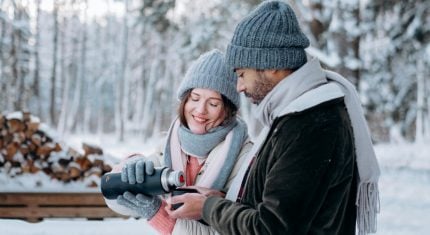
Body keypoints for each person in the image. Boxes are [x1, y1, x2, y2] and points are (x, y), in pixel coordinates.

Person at [166, 1, 380, 235]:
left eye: (241, 74)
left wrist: (209, 208)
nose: (238, 86)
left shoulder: (311, 126)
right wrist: (221, 201)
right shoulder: (296, 116)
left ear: (271, 66)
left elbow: (270, 228)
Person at [103, 49, 252, 235]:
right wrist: (130, 167)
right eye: (195, 98)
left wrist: (157, 214)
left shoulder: (244, 158)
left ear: (228, 110)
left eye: (213, 104)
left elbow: (232, 231)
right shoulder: (171, 144)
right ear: (184, 100)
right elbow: (116, 201)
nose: (200, 110)